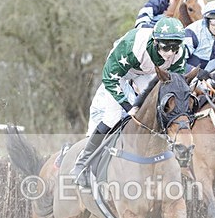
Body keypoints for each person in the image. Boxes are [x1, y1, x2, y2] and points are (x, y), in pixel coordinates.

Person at [72, 17, 188, 188]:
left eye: (175, 47)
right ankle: (82, 162)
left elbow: (175, 82)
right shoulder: (132, 47)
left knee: (155, 110)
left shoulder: (180, 52)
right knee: (112, 117)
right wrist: (128, 107)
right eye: (166, 47)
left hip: (145, 73)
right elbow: (109, 78)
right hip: (119, 73)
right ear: (156, 42)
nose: (170, 53)